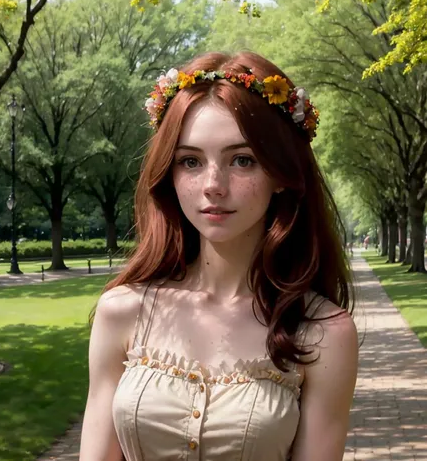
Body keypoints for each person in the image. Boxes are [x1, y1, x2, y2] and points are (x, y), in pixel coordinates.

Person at [79, 51, 359, 461]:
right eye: (190, 161)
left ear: (281, 174)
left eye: (242, 160)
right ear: (169, 175)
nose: (213, 185)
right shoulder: (123, 312)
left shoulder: (323, 334)